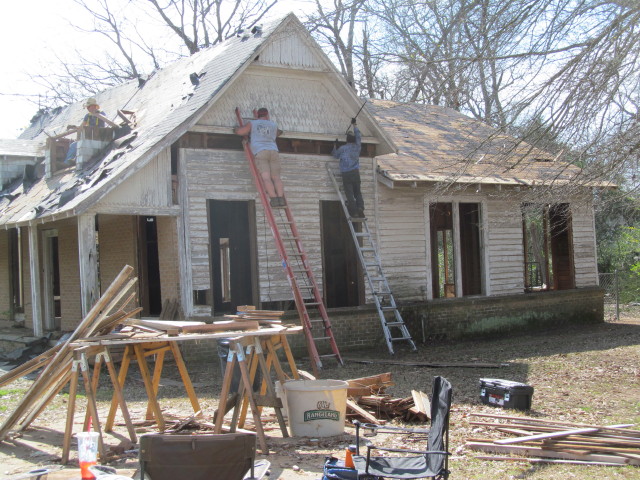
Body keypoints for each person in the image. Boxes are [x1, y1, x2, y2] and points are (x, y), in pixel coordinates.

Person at [234, 107, 284, 207]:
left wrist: (235, 130)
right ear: (267, 115)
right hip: (274, 151)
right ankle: (281, 199)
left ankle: (273, 199)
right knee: (277, 178)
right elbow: (278, 132)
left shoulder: (253, 123)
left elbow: (241, 132)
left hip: (261, 152)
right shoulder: (273, 125)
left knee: (266, 178)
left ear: (257, 115)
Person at [333, 118, 364, 218]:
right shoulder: (357, 147)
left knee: (350, 194)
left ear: (346, 140)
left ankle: (354, 212)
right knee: (357, 192)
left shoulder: (343, 149)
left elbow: (335, 155)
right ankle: (360, 208)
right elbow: (359, 136)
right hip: (355, 172)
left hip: (346, 174)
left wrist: (335, 146)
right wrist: (354, 124)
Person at [64, 97, 109, 164]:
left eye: (89, 106)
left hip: (98, 137)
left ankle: (74, 160)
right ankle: (68, 162)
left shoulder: (101, 113)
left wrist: (97, 114)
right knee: (73, 145)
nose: (87, 108)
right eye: (87, 107)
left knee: (81, 144)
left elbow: (106, 120)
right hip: (88, 137)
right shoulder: (87, 116)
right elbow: (81, 127)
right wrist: (74, 127)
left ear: (94, 106)